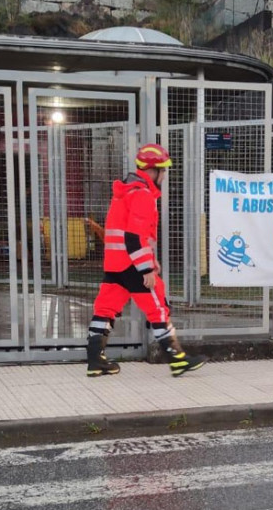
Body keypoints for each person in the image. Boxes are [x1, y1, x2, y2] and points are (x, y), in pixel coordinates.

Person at [86, 144, 207, 378]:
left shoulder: (125, 192)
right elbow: (134, 237)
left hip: (115, 264)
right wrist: (147, 268)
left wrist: (152, 260)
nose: (165, 175)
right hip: (133, 266)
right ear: (154, 170)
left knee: (105, 309)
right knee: (157, 308)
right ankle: (177, 359)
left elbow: (128, 235)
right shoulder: (142, 195)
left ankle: (95, 361)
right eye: (163, 170)